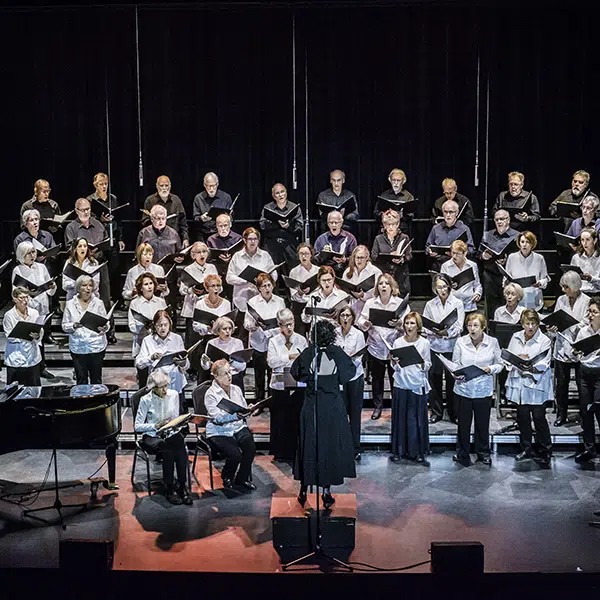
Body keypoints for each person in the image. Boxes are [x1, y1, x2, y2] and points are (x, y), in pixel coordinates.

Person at [291, 320, 356, 509]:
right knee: (328, 446)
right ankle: (326, 492)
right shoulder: (338, 353)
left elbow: (296, 373)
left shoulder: (308, 353)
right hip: (332, 407)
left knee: (309, 444)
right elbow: (349, 374)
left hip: (312, 405)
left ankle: (304, 488)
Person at [134, 370, 193, 505]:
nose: (166, 390)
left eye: (167, 385)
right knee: (167, 450)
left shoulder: (173, 395)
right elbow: (137, 426)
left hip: (170, 432)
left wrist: (179, 423)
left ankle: (182, 485)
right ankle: (169, 487)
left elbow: (175, 418)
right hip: (152, 435)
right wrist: (155, 426)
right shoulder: (145, 400)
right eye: (162, 387)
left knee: (180, 446)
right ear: (154, 388)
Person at [452, 313, 503, 467]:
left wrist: (490, 368)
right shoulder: (461, 342)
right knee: (463, 424)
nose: (472, 329)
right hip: (464, 389)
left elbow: (500, 364)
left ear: (483, 327)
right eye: (469, 325)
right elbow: (455, 363)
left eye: (475, 326)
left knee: (482, 424)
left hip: (483, 390)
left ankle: (483, 453)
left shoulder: (492, 342)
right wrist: (457, 373)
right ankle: (462, 452)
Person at [358, 273, 409, 420]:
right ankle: (378, 407)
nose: (384, 286)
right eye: (381, 284)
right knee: (377, 380)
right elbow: (361, 320)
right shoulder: (370, 303)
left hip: (395, 347)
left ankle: (397, 408)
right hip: (376, 347)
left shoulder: (400, 303)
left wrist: (399, 325)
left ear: (392, 286)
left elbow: (409, 324)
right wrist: (365, 324)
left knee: (396, 380)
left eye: (387, 283)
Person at [505, 309, 553, 464]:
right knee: (523, 417)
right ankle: (526, 448)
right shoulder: (515, 336)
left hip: (536, 384)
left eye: (533, 324)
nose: (530, 327)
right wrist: (517, 359)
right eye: (527, 324)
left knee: (539, 418)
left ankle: (545, 450)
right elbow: (509, 357)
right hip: (520, 383)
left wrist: (528, 362)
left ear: (538, 324)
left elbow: (544, 363)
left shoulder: (544, 340)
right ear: (522, 323)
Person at [204, 359, 257, 491]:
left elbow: (242, 407)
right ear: (215, 376)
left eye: (230, 372)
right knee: (235, 454)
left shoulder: (236, 389)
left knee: (250, 448)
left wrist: (248, 409)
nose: (229, 376)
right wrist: (235, 416)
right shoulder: (210, 394)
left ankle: (242, 478)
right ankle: (227, 476)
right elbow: (216, 418)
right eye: (225, 374)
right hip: (219, 431)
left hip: (238, 426)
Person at [389, 312, 431, 465]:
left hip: (416, 383)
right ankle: (399, 451)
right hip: (401, 382)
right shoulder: (398, 342)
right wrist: (393, 361)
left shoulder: (424, 343)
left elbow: (428, 364)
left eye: (412, 323)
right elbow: (394, 365)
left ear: (418, 326)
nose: (409, 326)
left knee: (415, 420)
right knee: (400, 419)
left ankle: (417, 452)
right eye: (407, 323)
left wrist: (420, 363)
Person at [423, 273, 465, 424]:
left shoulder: (457, 303)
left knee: (451, 380)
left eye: (444, 286)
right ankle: (436, 411)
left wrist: (447, 332)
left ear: (449, 286)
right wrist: (433, 330)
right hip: (434, 345)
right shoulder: (430, 304)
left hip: (451, 346)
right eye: (438, 287)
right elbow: (424, 324)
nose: (442, 290)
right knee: (434, 380)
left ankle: (454, 412)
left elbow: (459, 325)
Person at [548, 272, 589, 427]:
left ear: (575, 286)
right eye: (563, 287)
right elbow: (556, 318)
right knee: (561, 385)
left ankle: (584, 415)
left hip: (579, 347)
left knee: (582, 385)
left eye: (567, 287)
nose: (564, 290)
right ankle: (561, 414)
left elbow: (586, 323)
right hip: (562, 346)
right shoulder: (561, 299)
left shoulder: (586, 301)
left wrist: (570, 324)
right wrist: (553, 327)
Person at [267, 309, 308, 461]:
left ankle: (296, 450)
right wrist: (289, 356)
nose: (289, 328)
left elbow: (304, 360)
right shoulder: (273, 341)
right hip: (279, 385)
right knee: (280, 418)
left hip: (297, 384)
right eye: (285, 325)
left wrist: (283, 360)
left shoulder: (301, 340)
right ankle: (280, 451)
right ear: (279, 326)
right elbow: (271, 362)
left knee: (295, 416)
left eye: (291, 324)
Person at [64, 198, 111, 331]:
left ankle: (108, 330)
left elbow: (106, 242)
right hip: (80, 266)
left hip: (99, 265)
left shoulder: (98, 225)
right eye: (82, 210)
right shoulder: (71, 227)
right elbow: (69, 248)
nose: (86, 212)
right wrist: (84, 250)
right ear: (76, 211)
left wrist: (101, 247)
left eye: (88, 209)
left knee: (105, 299)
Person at [245, 273, 286, 404]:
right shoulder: (252, 302)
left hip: (274, 342)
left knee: (273, 374)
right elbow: (247, 323)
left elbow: (284, 320)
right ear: (259, 288)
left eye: (269, 285)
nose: (267, 288)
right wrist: (255, 324)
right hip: (259, 342)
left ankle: (273, 401)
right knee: (259, 375)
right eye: (264, 286)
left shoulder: (280, 301)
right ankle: (259, 403)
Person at [136, 310, 189, 411]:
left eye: (165, 324)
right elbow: (139, 363)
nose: (163, 328)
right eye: (159, 325)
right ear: (154, 326)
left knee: (178, 414)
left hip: (176, 382)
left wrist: (183, 363)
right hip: (158, 385)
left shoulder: (177, 338)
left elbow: (186, 365)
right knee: (160, 415)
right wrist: (151, 358)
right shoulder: (148, 340)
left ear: (170, 324)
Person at [179, 242, 218, 378]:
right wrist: (192, 289)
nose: (202, 255)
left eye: (204, 252)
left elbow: (219, 286)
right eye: (199, 252)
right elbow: (182, 289)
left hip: (209, 307)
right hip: (192, 308)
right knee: (193, 340)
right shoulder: (188, 269)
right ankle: (192, 369)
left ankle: (206, 367)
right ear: (193, 255)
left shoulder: (212, 267)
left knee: (207, 339)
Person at [62, 275, 108, 385]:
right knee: (81, 379)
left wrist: (105, 327)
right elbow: (64, 325)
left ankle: (97, 401)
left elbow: (106, 322)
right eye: (84, 285)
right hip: (79, 347)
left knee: (96, 379)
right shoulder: (70, 304)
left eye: (90, 285)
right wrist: (73, 326)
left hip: (96, 346)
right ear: (78, 288)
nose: (88, 288)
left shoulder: (98, 303)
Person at [88, 172, 125, 305]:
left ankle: (117, 299)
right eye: (101, 184)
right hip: (97, 240)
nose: (104, 186)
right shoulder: (91, 200)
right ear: (95, 185)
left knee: (115, 270)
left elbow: (119, 220)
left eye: (106, 184)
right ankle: (101, 300)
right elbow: (88, 220)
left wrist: (120, 238)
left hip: (112, 238)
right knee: (100, 270)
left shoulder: (112, 199)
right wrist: (100, 219)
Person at [12, 241, 57, 348]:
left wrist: (53, 287)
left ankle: (41, 362)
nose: (33, 255)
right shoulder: (18, 270)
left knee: (40, 336)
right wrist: (27, 292)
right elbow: (15, 291)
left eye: (34, 252)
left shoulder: (42, 267)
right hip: (28, 306)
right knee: (30, 338)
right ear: (22, 254)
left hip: (42, 304)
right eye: (29, 253)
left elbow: (50, 290)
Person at [336, 305, 367, 461]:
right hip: (339, 378)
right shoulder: (335, 334)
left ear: (353, 318)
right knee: (340, 414)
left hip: (355, 378)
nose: (345, 318)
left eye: (348, 315)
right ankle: (340, 445)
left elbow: (358, 358)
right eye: (342, 315)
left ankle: (355, 447)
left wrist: (346, 359)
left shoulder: (359, 334)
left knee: (355, 414)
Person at [128, 272, 167, 387]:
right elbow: (131, 325)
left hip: (158, 343)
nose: (149, 286)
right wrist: (143, 325)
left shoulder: (160, 302)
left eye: (151, 283)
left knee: (159, 380)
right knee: (144, 380)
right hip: (141, 342)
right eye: (146, 284)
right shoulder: (135, 303)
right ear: (140, 287)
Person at [226, 227, 278, 314]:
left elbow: (274, 274)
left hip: (262, 300)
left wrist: (264, 281)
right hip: (242, 300)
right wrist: (246, 280)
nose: (253, 242)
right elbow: (229, 278)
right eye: (250, 239)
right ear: (244, 240)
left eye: (255, 239)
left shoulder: (265, 255)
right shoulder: (237, 256)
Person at [573, 297, 600, 463]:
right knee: (586, 412)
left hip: (599, 373)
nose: (590, 315)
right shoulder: (583, 332)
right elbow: (575, 352)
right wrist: (576, 353)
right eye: (589, 311)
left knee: (598, 409)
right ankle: (589, 448)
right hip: (584, 373)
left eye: (595, 312)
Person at [478, 209, 519, 318]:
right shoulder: (488, 235)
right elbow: (478, 254)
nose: (499, 222)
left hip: (508, 275)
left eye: (502, 219)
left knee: (508, 302)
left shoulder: (516, 235)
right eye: (497, 220)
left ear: (508, 220)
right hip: (490, 275)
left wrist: (508, 260)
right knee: (491, 306)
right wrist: (484, 256)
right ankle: (491, 329)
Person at [2, 287, 43, 386]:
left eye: (27, 297)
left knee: (34, 389)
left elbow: (40, 330)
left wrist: (37, 336)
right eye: (22, 298)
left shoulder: (34, 313)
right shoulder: (9, 315)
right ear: (15, 299)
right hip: (16, 357)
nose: (25, 301)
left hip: (32, 357)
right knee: (15, 391)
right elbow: (9, 336)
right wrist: (25, 335)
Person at [259, 183, 304, 267]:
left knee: (292, 268)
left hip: (289, 243)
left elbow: (300, 226)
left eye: (282, 192)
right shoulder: (268, 207)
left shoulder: (294, 207)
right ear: (273, 196)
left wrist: (288, 226)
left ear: (286, 193)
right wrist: (276, 224)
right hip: (271, 243)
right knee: (269, 268)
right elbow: (262, 225)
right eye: (277, 193)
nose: (280, 195)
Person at [371, 209, 412, 297]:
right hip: (384, 274)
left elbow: (409, 256)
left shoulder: (404, 237)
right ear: (384, 225)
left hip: (400, 275)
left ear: (397, 224)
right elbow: (373, 257)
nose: (390, 227)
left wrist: (402, 259)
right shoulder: (378, 238)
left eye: (393, 224)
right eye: (387, 225)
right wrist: (386, 257)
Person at [425, 200, 475, 272]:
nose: (448, 215)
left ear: (457, 213)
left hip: (458, 268)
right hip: (439, 266)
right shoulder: (436, 228)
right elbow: (428, 246)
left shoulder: (464, 229)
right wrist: (429, 251)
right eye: (445, 212)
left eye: (451, 212)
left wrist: (457, 253)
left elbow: (471, 249)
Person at [504, 231, 549, 311]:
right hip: (516, 302)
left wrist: (540, 283)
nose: (524, 245)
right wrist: (507, 283)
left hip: (534, 300)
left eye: (527, 242)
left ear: (532, 244)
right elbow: (506, 278)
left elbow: (545, 278)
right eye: (522, 242)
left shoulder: (539, 258)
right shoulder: (512, 257)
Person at [201, 316, 247, 391]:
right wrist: (204, 362)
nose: (228, 331)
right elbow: (206, 367)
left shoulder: (238, 343)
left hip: (234, 378)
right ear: (218, 330)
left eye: (230, 328)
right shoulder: (211, 343)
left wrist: (232, 363)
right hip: (218, 378)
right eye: (224, 329)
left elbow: (243, 366)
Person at [144, 175, 189, 247]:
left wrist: (185, 238)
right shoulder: (150, 201)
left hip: (173, 239)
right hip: (155, 239)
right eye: (161, 186)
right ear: (157, 186)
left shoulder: (176, 200)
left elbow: (183, 222)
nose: (164, 188)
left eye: (166, 185)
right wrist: (154, 219)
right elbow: (145, 222)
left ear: (170, 186)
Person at [440, 239, 482, 315]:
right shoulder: (445, 266)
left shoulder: (472, 265)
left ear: (465, 253)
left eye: (458, 254)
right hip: (452, 307)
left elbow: (477, 285)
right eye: (453, 253)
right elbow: (442, 287)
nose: (454, 256)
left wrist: (477, 294)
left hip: (469, 305)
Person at [340, 245, 382, 316]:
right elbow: (343, 292)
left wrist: (363, 295)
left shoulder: (375, 272)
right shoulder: (348, 271)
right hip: (351, 310)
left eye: (362, 258)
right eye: (357, 257)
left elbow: (379, 295)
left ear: (367, 257)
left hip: (368, 311)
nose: (359, 260)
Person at [287, 243, 320, 335]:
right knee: (299, 334)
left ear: (311, 255)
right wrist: (300, 292)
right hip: (299, 306)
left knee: (313, 335)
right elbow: (293, 295)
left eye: (306, 253)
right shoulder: (294, 271)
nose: (304, 256)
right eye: (301, 254)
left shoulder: (317, 270)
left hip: (313, 306)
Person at [313, 211, 357, 276]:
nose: (334, 225)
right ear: (328, 224)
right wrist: (327, 257)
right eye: (331, 222)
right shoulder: (321, 239)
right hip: (326, 273)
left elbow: (355, 257)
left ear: (341, 223)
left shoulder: (350, 238)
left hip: (345, 272)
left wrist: (345, 259)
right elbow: (315, 258)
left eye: (336, 222)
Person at [316, 169, 359, 235]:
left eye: (339, 180)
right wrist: (335, 216)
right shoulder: (323, 195)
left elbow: (355, 215)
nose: (336, 183)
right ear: (330, 181)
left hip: (347, 230)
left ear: (343, 180)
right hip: (327, 231)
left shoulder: (350, 195)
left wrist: (343, 216)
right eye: (333, 180)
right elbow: (321, 214)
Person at [193, 172, 233, 241]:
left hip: (221, 234)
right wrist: (201, 218)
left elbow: (231, 218)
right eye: (209, 186)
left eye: (213, 185)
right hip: (203, 234)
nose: (211, 189)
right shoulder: (198, 198)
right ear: (204, 185)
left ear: (217, 184)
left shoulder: (226, 197)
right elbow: (195, 219)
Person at [374, 168, 415, 235]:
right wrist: (384, 215)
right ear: (390, 180)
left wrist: (402, 215)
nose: (396, 183)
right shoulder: (384, 195)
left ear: (403, 181)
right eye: (393, 180)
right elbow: (376, 213)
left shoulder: (408, 196)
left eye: (398, 180)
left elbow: (411, 216)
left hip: (402, 231)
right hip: (385, 231)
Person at [192, 274, 232, 340]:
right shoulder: (200, 303)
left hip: (222, 337)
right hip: (205, 338)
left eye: (218, 285)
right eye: (213, 286)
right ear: (207, 288)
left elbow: (228, 322)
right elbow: (195, 325)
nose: (216, 288)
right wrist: (207, 328)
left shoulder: (226, 303)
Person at [62, 237, 100, 301]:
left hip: (90, 299)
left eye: (85, 246)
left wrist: (86, 285)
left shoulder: (93, 263)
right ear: (75, 249)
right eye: (80, 246)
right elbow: (64, 285)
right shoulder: (69, 263)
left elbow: (96, 285)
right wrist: (78, 283)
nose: (83, 248)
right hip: (73, 299)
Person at [206, 212, 243, 277]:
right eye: (220, 226)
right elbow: (208, 260)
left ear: (230, 225)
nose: (223, 228)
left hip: (234, 272)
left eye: (225, 225)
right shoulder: (211, 239)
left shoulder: (238, 238)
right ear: (216, 226)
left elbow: (241, 258)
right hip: (217, 272)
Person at [571, 227, 600, 294]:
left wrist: (591, 279)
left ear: (595, 240)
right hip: (580, 293)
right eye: (582, 240)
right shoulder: (576, 257)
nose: (584, 243)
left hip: (596, 293)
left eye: (588, 240)